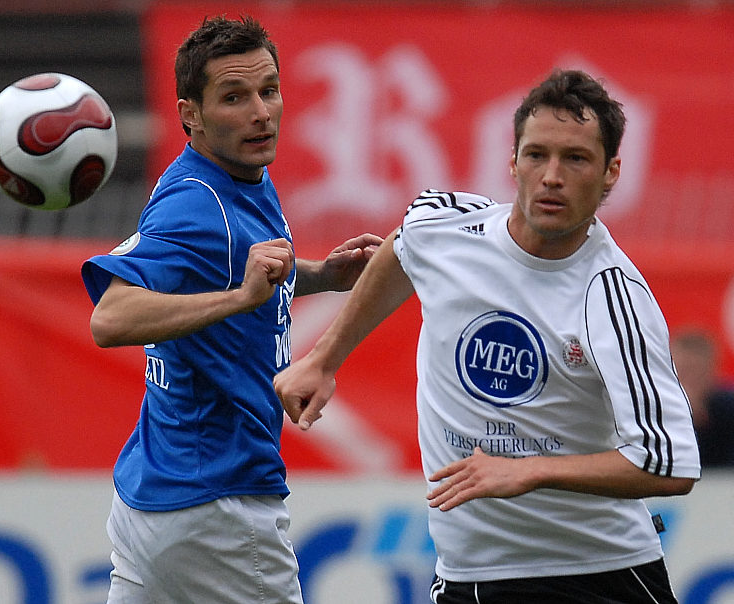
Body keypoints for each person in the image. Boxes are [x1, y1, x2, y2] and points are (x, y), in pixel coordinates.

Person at [274, 69, 701, 603]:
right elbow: (404, 248)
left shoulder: (613, 297)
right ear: (513, 161)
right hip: (466, 578)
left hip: (593, 576)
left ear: (611, 172)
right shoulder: (445, 227)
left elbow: (668, 463)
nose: (551, 176)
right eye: (537, 155)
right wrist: (323, 359)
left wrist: (529, 471)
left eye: (576, 159)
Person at [81, 15, 381, 604]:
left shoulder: (235, 175)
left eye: (269, 90)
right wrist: (239, 298)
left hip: (157, 493)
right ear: (189, 114)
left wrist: (321, 275)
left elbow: (236, 270)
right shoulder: (196, 204)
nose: (261, 113)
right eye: (234, 97)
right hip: (218, 507)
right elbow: (109, 318)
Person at [671, 328, 734, 468]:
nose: (691, 381)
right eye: (684, 372)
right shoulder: (651, 411)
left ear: (713, 370)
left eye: (697, 372)